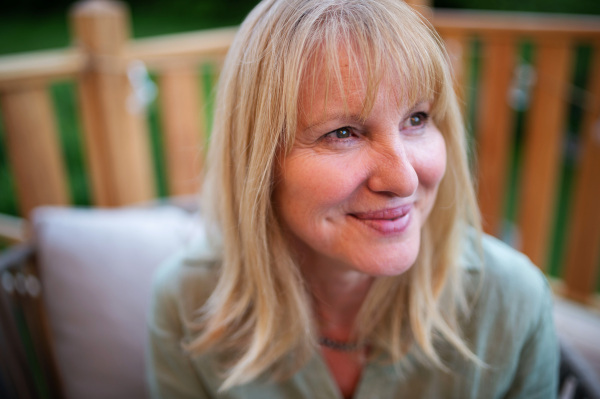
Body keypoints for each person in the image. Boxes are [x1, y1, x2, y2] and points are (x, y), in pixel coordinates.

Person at [146, 0, 559, 398]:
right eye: (343, 132)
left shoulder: (512, 302)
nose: (404, 179)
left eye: (416, 119)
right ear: (259, 160)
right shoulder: (187, 305)